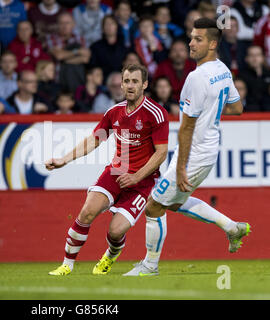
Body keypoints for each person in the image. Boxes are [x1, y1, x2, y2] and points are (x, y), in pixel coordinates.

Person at [123, 18, 250, 277]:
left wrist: (180, 168)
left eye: (198, 39)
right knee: (173, 203)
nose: (191, 43)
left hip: (193, 154)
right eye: (191, 37)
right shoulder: (224, 70)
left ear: (213, 44)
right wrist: (212, 110)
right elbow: (238, 108)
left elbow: (186, 128)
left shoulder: (195, 77)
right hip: (207, 151)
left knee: (154, 206)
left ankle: (150, 266)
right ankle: (231, 227)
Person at [46, 63, 169, 276]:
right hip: (116, 171)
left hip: (143, 181)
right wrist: (63, 160)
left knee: (115, 231)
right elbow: (95, 140)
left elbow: (161, 153)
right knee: (86, 212)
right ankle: (67, 265)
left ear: (145, 84)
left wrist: (136, 177)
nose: (130, 86)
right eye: (127, 81)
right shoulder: (114, 112)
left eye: (135, 81)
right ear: (121, 84)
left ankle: (112, 253)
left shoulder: (156, 114)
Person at [46, 12, 90, 93]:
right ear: (57, 25)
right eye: (61, 23)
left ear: (73, 24)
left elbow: (85, 58)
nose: (65, 26)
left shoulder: (80, 39)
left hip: (76, 79)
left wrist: (65, 60)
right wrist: (78, 51)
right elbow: (59, 56)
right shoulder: (51, 38)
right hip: (57, 80)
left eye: (67, 23)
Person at [89, 14, 129, 83]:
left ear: (117, 26)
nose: (109, 26)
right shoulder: (95, 47)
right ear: (103, 29)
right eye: (106, 24)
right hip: (102, 82)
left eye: (112, 23)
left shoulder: (124, 46)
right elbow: (93, 67)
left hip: (121, 81)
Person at [239, 45, 270, 112]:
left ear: (263, 57)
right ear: (246, 58)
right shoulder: (241, 76)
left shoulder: (268, 74)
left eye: (258, 55)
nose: (255, 58)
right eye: (251, 55)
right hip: (248, 114)